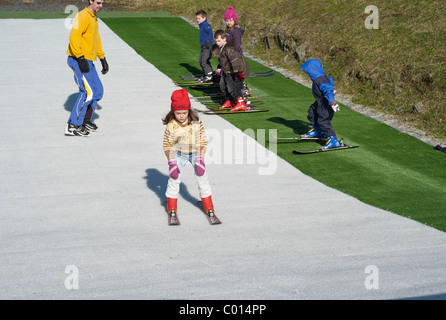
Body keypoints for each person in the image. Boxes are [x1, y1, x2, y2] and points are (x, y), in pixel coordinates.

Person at [162, 89, 217, 223]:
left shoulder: (196, 123)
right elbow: (167, 145)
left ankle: (209, 206)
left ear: (189, 111)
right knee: (174, 178)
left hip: (195, 153)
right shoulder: (171, 126)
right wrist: (172, 163)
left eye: (184, 113)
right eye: (178, 113)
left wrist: (199, 158)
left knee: (202, 177)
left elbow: (203, 140)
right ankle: (172, 207)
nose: (181, 116)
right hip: (179, 154)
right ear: (173, 112)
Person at [65, 0, 109, 136]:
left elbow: (96, 39)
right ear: (91, 1)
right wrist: (80, 57)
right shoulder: (82, 16)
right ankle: (73, 125)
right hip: (79, 60)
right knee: (86, 92)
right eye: (98, 2)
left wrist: (102, 58)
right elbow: (74, 37)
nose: (101, 6)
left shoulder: (93, 18)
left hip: (88, 60)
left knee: (97, 91)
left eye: (102, 3)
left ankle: (84, 120)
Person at [299, 59, 341, 149]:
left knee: (323, 121)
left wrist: (332, 102)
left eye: (308, 71)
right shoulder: (319, 79)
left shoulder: (320, 79)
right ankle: (316, 130)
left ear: (313, 70)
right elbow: (330, 81)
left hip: (325, 104)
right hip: (320, 102)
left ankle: (333, 139)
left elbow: (328, 90)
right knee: (312, 111)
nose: (307, 74)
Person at [213, 29, 250, 111]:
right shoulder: (222, 48)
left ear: (224, 39)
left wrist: (236, 71)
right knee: (223, 86)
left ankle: (240, 102)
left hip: (232, 72)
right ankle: (230, 100)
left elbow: (234, 60)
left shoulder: (228, 49)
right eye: (216, 41)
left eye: (219, 41)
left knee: (232, 88)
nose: (217, 43)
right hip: (226, 72)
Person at [195, 10, 214, 83]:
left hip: (207, 46)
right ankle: (205, 73)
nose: (197, 20)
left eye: (199, 18)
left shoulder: (205, 25)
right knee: (200, 61)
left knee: (204, 61)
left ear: (204, 18)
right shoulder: (201, 25)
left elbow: (210, 33)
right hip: (203, 46)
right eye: (197, 18)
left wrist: (208, 42)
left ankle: (209, 75)